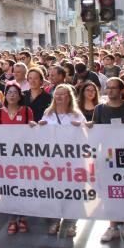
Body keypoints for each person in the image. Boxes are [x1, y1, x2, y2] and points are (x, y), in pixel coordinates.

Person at [91, 77, 124, 245]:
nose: (110, 90)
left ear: (121, 90)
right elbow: (95, 132)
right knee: (109, 192)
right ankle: (112, 226)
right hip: (107, 156)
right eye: (108, 87)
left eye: (114, 88)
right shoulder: (99, 109)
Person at [37, 84, 84, 237]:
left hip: (72, 161)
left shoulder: (76, 115)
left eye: (62, 94)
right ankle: (55, 221)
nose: (59, 97)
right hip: (53, 160)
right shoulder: (48, 113)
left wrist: (82, 127)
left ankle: (71, 224)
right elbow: (41, 135)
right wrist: (38, 127)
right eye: (57, 94)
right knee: (55, 191)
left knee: (73, 193)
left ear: (69, 97)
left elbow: (88, 136)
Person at [0, 83, 35, 234]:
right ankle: (12, 219)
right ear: (5, 95)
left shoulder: (26, 111)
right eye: (9, 92)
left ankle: (23, 217)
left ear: (19, 96)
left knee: (23, 188)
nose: (12, 95)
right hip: (5, 158)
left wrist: (33, 126)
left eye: (15, 92)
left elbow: (32, 132)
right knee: (8, 189)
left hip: (23, 156)